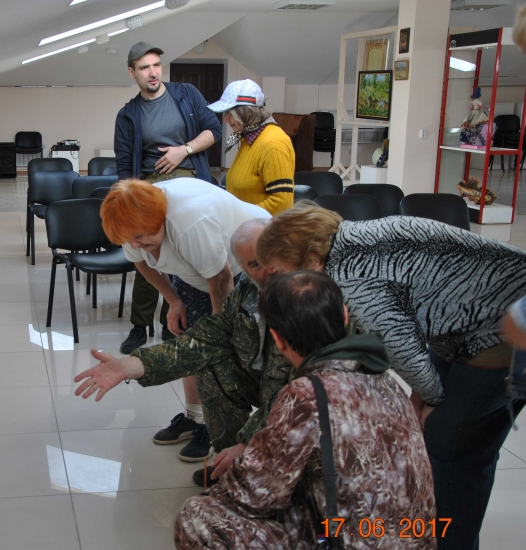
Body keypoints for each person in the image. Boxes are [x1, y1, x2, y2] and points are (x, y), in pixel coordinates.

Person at [254, 205, 526, 550]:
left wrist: (434, 401)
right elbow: (430, 310)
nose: (278, 283)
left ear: (304, 259)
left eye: (278, 272)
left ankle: (452, 543)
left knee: (451, 445)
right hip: (483, 314)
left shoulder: (351, 278)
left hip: (500, 329)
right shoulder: (358, 234)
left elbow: (403, 348)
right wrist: (422, 395)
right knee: (452, 435)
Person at [174, 271, 436, 550]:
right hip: (416, 538)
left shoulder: (307, 395)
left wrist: (221, 486)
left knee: (195, 516)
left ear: (278, 339)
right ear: (345, 316)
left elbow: (251, 493)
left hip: (346, 540)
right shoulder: (385, 381)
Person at [73, 219, 294, 485]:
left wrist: (250, 443)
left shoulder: (316, 300)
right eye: (254, 265)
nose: (268, 271)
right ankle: (230, 466)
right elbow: (207, 338)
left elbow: (301, 395)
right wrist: (131, 365)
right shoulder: (248, 288)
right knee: (212, 361)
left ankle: (257, 466)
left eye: (271, 260)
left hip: (309, 409)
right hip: (270, 385)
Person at [99, 180, 270, 462]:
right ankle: (194, 417)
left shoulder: (190, 222)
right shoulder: (133, 225)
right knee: (188, 335)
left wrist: (218, 334)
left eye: (140, 237)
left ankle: (217, 432)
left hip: (246, 266)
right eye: (128, 240)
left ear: (160, 221)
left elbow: (221, 278)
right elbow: (141, 263)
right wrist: (174, 300)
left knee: (214, 353)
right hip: (199, 269)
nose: (134, 245)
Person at [114, 41, 222, 355]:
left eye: (156, 65)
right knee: (148, 256)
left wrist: (183, 150)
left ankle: (170, 320)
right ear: (132, 72)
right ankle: (139, 325)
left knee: (182, 255)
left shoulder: (186, 94)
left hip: (189, 185)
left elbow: (212, 128)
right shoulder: (128, 115)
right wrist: (130, 203)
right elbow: (124, 165)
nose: (153, 73)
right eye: (145, 67)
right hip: (149, 191)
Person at [208, 79, 295, 215]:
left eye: (229, 113)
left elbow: (281, 203)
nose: (225, 118)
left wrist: (240, 217)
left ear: (248, 112)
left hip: (262, 233)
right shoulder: (249, 138)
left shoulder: (273, 143)